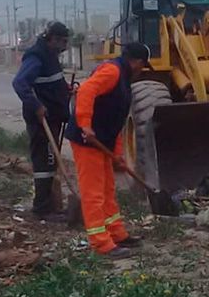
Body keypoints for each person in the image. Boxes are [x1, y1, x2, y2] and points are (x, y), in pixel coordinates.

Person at [63, 42, 152, 258]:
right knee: (93, 193)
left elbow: (116, 121)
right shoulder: (112, 71)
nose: (142, 70)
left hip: (103, 141)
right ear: (137, 62)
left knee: (107, 190)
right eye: (143, 66)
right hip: (87, 141)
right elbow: (85, 90)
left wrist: (118, 154)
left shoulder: (123, 78)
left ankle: (117, 233)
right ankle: (101, 243)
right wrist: (85, 123)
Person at [12, 22, 72, 221]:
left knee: (50, 162)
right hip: (41, 120)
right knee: (44, 164)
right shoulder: (36, 56)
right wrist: (36, 106)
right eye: (62, 42)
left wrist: (66, 90)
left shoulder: (50, 56)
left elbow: (51, 82)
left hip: (54, 118)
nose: (65, 46)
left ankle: (50, 205)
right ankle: (43, 209)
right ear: (52, 39)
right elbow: (20, 83)